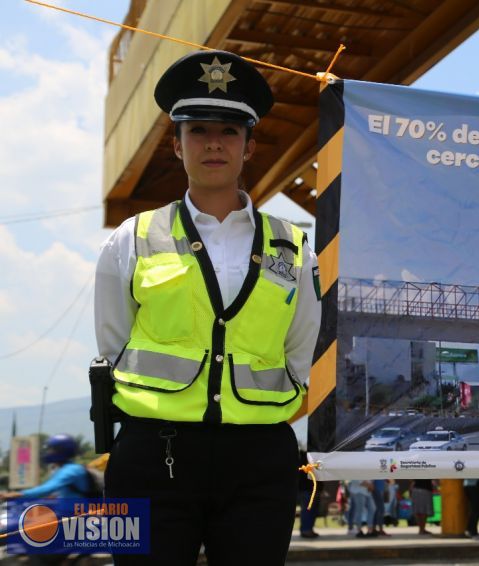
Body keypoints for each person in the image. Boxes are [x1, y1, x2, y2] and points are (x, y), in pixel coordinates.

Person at [94, 50, 321, 565]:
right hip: (152, 457)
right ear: (176, 145)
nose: (213, 142)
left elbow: (300, 348)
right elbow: (114, 344)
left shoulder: (293, 247)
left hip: (259, 459)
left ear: (249, 145)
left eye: (229, 130)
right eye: (197, 129)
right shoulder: (133, 237)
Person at [0, 435, 92, 500]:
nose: (48, 453)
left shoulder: (71, 470)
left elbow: (47, 489)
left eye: (51, 450)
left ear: (61, 452)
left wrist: (17, 494)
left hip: (75, 519)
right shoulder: (64, 469)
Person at [298, 450, 321, 539]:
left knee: (311, 510)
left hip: (310, 488)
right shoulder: (305, 457)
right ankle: (306, 530)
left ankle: (308, 529)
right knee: (308, 510)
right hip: (307, 488)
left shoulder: (308, 456)